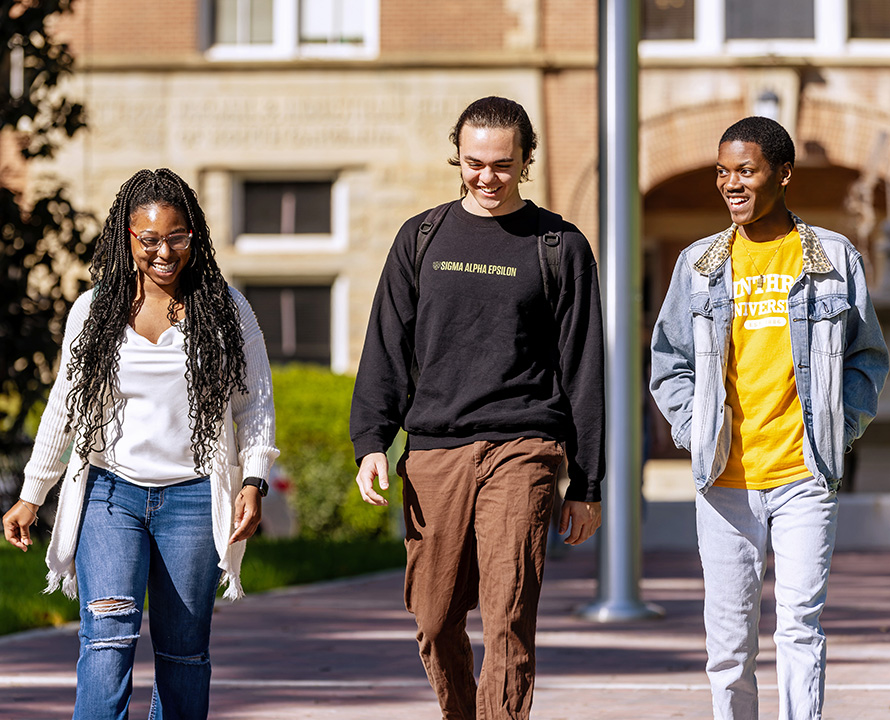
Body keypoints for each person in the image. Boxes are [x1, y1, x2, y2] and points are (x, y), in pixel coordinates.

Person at [350, 96, 605, 719]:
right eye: (473, 164)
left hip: (524, 448)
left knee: (508, 615)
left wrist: (588, 482)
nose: (487, 178)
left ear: (526, 160)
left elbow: (585, 366)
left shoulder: (558, 245)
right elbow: (387, 343)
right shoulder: (422, 237)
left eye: (501, 165)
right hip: (435, 453)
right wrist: (371, 443)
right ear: (456, 158)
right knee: (434, 621)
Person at [2, 168, 279, 720]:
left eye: (177, 237)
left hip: (195, 499)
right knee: (105, 646)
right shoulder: (94, 310)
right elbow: (65, 405)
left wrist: (252, 479)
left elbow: (255, 404)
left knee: (183, 657)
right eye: (149, 239)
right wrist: (33, 494)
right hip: (110, 496)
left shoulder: (227, 309)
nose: (164, 252)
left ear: (193, 237)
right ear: (126, 238)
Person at [649, 116, 889, 720]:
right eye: (723, 172)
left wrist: (841, 426)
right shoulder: (697, 263)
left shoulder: (833, 258)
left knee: (799, 630)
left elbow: (867, 357)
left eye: (746, 171)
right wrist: (692, 428)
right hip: (724, 483)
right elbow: (669, 361)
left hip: (803, 476)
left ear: (782, 174)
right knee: (729, 649)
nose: (732, 184)